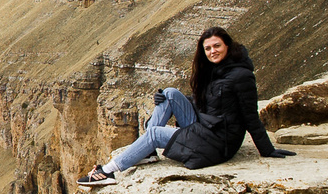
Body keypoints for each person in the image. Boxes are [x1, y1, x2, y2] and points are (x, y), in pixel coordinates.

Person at [80, 26, 288, 182]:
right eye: (208, 48)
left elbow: (250, 116)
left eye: (217, 46)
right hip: (204, 129)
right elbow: (206, 103)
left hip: (217, 143)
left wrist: (267, 150)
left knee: (154, 134)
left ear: (228, 46)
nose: (212, 51)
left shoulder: (241, 76)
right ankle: (148, 153)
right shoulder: (215, 70)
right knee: (169, 93)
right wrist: (164, 99)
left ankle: (108, 172)